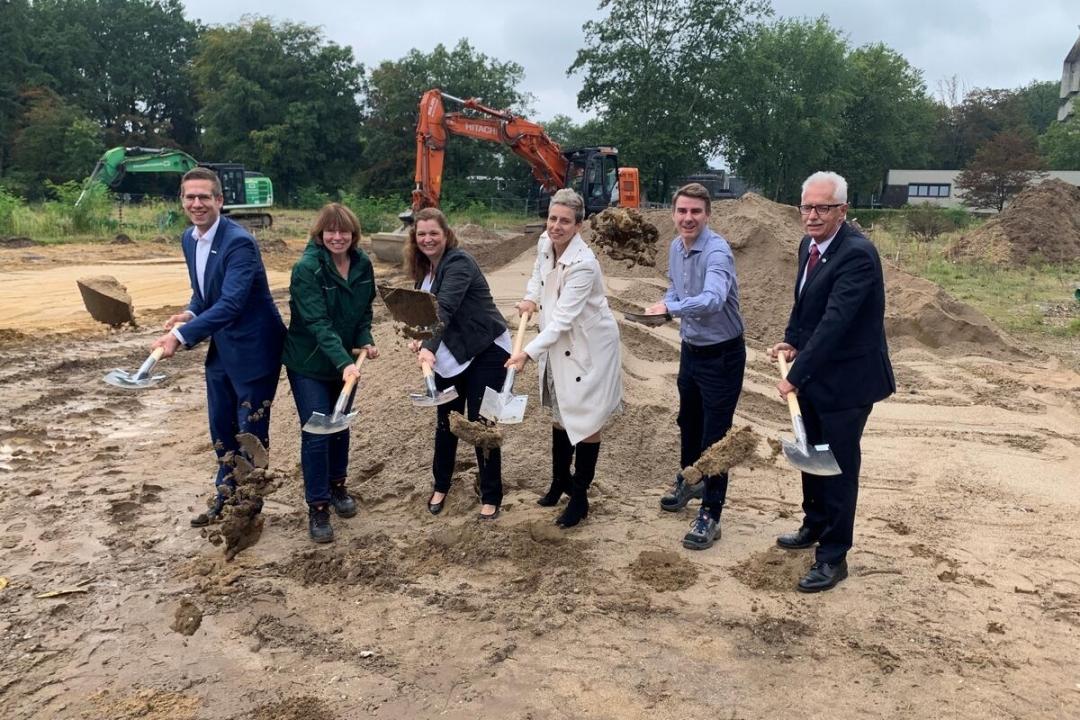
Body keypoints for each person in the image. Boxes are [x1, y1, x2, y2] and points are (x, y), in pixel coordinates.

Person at [768, 171, 895, 593]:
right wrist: (790, 340)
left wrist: (796, 376)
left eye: (823, 207)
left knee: (838, 467)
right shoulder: (808, 245)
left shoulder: (857, 254)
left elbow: (836, 323)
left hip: (848, 382)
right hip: (816, 376)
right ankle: (814, 524)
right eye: (807, 206)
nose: (813, 215)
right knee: (812, 455)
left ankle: (834, 555)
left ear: (843, 210)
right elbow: (805, 307)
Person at [152, 167, 286, 527]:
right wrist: (191, 310)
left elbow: (231, 304)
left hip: (256, 349)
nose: (197, 204)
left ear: (220, 201)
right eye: (190, 197)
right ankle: (226, 497)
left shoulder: (239, 242)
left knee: (250, 431)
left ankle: (247, 510)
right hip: (223, 348)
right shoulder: (189, 239)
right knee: (220, 426)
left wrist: (179, 337)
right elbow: (205, 292)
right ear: (182, 200)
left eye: (204, 197)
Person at [506, 189, 623, 528]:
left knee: (586, 422)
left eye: (565, 221)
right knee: (560, 415)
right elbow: (537, 277)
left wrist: (527, 351)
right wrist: (530, 299)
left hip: (588, 349)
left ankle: (580, 496)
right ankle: (560, 481)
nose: (556, 226)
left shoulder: (584, 265)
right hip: (559, 345)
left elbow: (562, 320)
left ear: (579, 226)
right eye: (553, 218)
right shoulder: (546, 242)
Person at [645, 182, 745, 551]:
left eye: (696, 212)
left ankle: (711, 514)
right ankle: (691, 479)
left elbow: (714, 299)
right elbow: (677, 289)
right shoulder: (675, 247)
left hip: (723, 355)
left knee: (716, 438)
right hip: (692, 350)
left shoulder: (717, 251)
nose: (688, 219)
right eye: (682, 211)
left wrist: (673, 308)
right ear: (673, 213)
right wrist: (663, 304)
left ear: (708, 215)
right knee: (688, 421)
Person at [404, 207, 510, 519]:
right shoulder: (426, 269)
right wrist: (415, 336)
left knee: (482, 425)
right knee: (446, 423)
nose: (427, 239)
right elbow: (422, 312)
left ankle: (491, 495)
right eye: (421, 234)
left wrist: (429, 346)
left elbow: (444, 309)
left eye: (433, 233)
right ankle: (441, 485)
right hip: (450, 357)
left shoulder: (459, 262)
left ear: (446, 235)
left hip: (485, 351)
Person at [281, 203, 378, 543]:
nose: (337, 237)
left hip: (346, 363)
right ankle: (318, 506)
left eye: (344, 231)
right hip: (310, 363)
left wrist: (364, 340)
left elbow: (365, 310)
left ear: (353, 234)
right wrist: (344, 362)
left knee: (340, 427)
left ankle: (338, 487)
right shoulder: (308, 269)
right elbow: (317, 323)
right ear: (320, 234)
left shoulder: (363, 264)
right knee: (318, 432)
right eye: (330, 232)